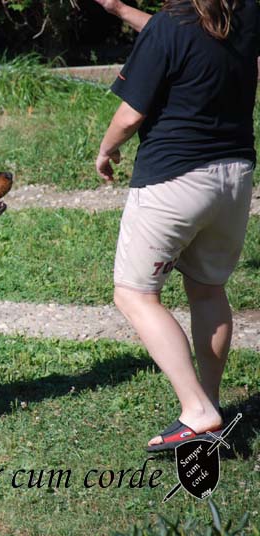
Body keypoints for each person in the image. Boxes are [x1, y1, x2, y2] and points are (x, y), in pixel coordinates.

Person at [94, 0, 258, 451]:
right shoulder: (244, 15)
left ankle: (197, 410)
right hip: (234, 176)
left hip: (175, 179)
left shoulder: (171, 25)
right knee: (207, 288)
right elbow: (189, 39)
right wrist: (121, 10)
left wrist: (105, 151)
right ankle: (211, 405)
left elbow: (129, 116)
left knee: (134, 294)